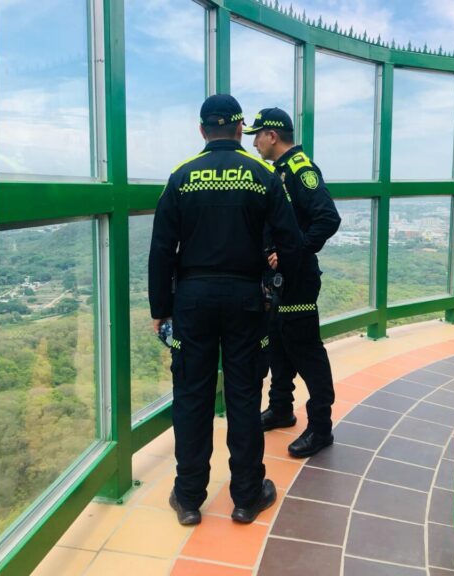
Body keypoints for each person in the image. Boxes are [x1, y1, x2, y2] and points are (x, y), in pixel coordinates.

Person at [149, 94, 303, 526]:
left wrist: (161, 308)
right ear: (239, 130)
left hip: (192, 301)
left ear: (202, 131)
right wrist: (278, 286)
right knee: (243, 395)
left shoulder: (180, 177)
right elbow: (289, 241)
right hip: (246, 301)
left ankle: (189, 497)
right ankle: (247, 496)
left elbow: (162, 248)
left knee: (191, 396)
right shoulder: (263, 175)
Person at [244, 108, 342, 458]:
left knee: (306, 350)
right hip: (280, 277)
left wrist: (292, 251)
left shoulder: (301, 171)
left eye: (257, 135)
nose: (254, 142)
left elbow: (328, 218)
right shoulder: (280, 171)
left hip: (298, 278)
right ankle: (282, 408)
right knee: (279, 344)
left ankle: (320, 428)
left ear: (272, 135)